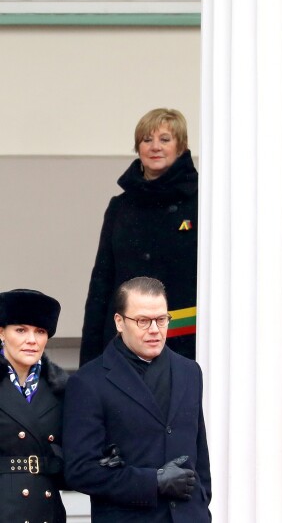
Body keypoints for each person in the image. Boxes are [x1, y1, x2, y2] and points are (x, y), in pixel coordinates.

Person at [63, 276, 211, 522]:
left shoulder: (189, 371)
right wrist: (153, 482)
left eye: (162, 319)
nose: (154, 329)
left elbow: (200, 456)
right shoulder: (88, 382)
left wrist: (202, 506)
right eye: (143, 321)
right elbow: (80, 470)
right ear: (119, 322)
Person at [80, 108, 198, 366]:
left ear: (181, 147)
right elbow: (102, 281)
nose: (155, 147)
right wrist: (89, 359)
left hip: (183, 345)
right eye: (147, 140)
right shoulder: (120, 207)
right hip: (123, 345)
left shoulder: (202, 203)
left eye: (165, 140)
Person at [0, 288, 68, 522]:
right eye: (21, 330)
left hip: (46, 510)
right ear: (1, 332)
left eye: (40, 331)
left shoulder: (62, 388)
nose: (31, 340)